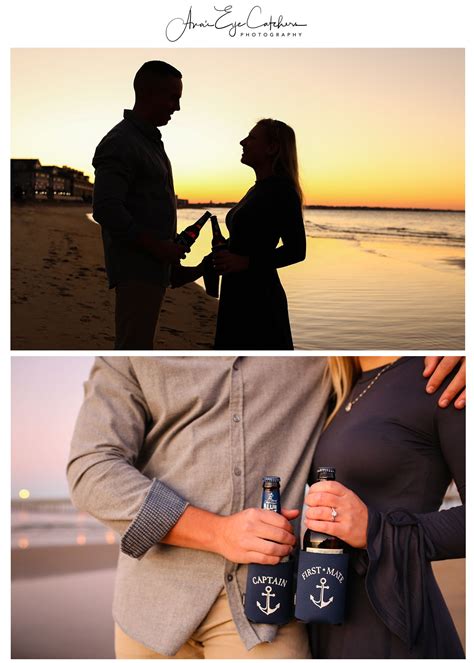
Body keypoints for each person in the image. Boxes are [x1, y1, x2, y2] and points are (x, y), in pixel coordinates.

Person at [66, 356, 464, 659]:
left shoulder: (328, 363)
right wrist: (219, 533)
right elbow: (91, 469)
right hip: (150, 605)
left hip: (268, 609)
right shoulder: (131, 356)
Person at [304, 356, 465, 658]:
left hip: (393, 626)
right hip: (324, 620)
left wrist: (375, 530)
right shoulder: (336, 387)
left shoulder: (443, 375)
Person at [92, 60, 187, 350]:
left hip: (153, 268)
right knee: (134, 350)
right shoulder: (122, 142)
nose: (177, 107)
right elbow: (106, 209)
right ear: (149, 93)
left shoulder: (147, 140)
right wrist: (159, 247)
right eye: (173, 97)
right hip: (136, 270)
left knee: (140, 347)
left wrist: (171, 252)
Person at [212, 119, 306, 350]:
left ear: (272, 148)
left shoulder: (282, 191)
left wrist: (246, 262)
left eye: (252, 138)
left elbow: (297, 250)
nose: (243, 142)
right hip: (237, 292)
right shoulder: (257, 189)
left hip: (258, 299)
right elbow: (244, 241)